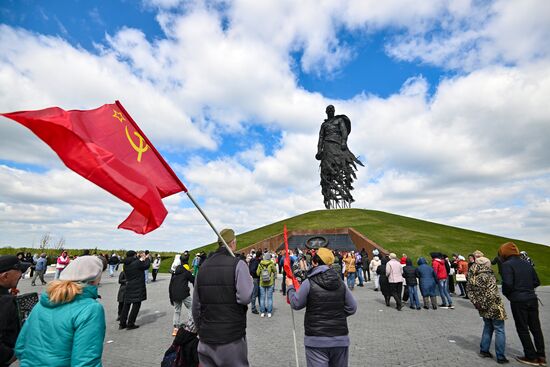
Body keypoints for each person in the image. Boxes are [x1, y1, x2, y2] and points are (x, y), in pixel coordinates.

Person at [15, 255, 106, 366]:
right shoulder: (90, 308)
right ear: (95, 278)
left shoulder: (44, 301)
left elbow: (20, 346)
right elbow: (86, 361)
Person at [192, 229, 253, 367]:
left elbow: (196, 306)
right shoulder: (238, 264)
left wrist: (201, 330)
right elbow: (245, 298)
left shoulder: (203, 267)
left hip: (206, 338)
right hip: (231, 338)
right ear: (233, 243)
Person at [287, 247, 357, 366]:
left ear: (314, 262)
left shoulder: (309, 282)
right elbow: (352, 307)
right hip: (339, 339)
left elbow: (296, 303)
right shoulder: (340, 283)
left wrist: (290, 288)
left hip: (316, 340)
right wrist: (336, 314)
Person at [499, 242, 545, 366]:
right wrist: (527, 288)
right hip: (532, 298)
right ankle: (541, 355)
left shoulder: (507, 265)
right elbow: (536, 281)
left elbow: (507, 284)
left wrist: (509, 294)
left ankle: (531, 356)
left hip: (518, 300)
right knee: (536, 328)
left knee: (522, 328)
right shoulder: (527, 263)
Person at [466, 256, 509, 364]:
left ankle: (484, 350)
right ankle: (500, 356)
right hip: (493, 306)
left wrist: (477, 303)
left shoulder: (472, 276)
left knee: (488, 327)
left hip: (481, 307)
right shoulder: (488, 275)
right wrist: (486, 304)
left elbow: (470, 292)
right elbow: (492, 293)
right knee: (499, 329)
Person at [0, 255, 30, 366]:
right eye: (19, 271)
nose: (21, 275)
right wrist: (11, 356)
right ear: (5, 276)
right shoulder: (5, 301)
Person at [119, 250, 151, 330]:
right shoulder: (136, 263)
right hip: (137, 286)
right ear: (133, 255)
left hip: (129, 285)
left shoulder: (125, 265)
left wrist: (141, 259)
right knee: (136, 305)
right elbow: (146, 265)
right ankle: (130, 323)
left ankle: (122, 323)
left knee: (126, 305)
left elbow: (138, 264)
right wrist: (146, 258)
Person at [169, 257, 195, 336]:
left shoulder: (174, 275)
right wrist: (189, 273)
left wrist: (171, 298)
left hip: (174, 295)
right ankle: (191, 325)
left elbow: (170, 287)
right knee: (191, 307)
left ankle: (175, 328)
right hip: (184, 294)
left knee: (177, 310)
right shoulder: (186, 273)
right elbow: (193, 280)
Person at [256, 253, 277, 318]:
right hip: (270, 282)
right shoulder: (271, 264)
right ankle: (269, 313)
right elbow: (275, 270)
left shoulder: (260, 264)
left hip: (262, 283)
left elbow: (257, 273)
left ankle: (262, 312)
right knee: (269, 298)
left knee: (262, 298)